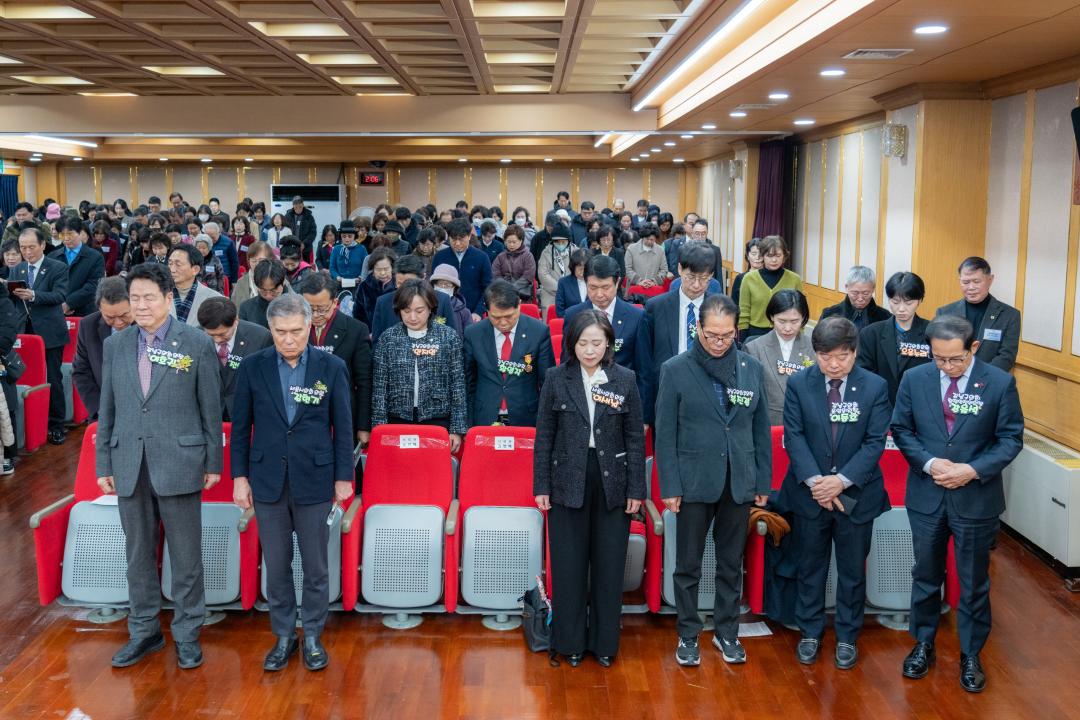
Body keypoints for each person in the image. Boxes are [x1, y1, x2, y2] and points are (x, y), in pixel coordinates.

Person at [95, 262, 222, 671]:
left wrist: (213, 460)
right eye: (135, 298)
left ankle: (187, 634)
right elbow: (107, 408)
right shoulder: (116, 344)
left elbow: (210, 409)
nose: (142, 305)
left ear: (170, 298)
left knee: (186, 557)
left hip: (181, 460)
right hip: (129, 460)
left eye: (150, 297)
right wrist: (104, 461)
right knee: (137, 556)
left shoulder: (196, 344)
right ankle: (144, 631)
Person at [893, 316, 1024, 693]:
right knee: (925, 574)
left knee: (973, 581)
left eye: (955, 360)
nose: (946, 368)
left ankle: (971, 653)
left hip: (975, 498)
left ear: (974, 349)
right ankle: (923, 644)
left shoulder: (999, 383)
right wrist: (931, 463)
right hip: (927, 494)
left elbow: (1010, 438)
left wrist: (972, 469)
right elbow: (901, 429)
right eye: (939, 359)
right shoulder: (914, 379)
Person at [231, 293, 354, 672]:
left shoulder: (330, 366)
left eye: (296, 331)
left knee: (316, 565)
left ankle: (313, 634)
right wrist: (239, 477)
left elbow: (343, 426)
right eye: (281, 332)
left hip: (315, 478)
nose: (288, 339)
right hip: (267, 479)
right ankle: (283, 634)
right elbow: (240, 428)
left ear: (308, 326)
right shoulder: (253, 367)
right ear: (270, 328)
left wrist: (343, 478)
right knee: (278, 563)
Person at [655, 294, 770, 667]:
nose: (719, 343)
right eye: (712, 335)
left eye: (726, 336)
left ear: (736, 331)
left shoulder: (751, 368)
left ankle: (726, 632)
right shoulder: (676, 369)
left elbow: (760, 429)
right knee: (688, 564)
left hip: (738, 480)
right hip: (692, 481)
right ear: (698, 330)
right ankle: (688, 634)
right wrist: (669, 486)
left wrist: (762, 482)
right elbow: (664, 433)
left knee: (730, 563)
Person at [533, 309, 645, 667]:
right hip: (567, 478)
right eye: (583, 343)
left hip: (613, 480)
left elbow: (635, 437)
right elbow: (544, 436)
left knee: (609, 566)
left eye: (597, 343)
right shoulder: (556, 378)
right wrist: (541, 486)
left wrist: (636, 490)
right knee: (568, 566)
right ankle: (570, 643)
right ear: (572, 344)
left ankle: (605, 644)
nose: (590, 350)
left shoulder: (624, 379)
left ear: (609, 343)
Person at [780, 316, 892, 670]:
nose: (834, 364)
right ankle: (810, 632)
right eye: (826, 357)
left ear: (854, 352)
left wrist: (840, 481)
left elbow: (876, 442)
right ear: (815, 354)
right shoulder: (800, 383)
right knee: (810, 567)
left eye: (842, 357)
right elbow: (794, 436)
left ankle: (847, 636)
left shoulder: (874, 387)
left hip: (856, 496)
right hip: (810, 495)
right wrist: (817, 482)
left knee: (851, 571)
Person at [371, 279, 467, 453]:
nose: (412, 317)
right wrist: (379, 428)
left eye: (419, 310)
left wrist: (457, 429)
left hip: (438, 418)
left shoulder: (448, 337)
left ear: (431, 308)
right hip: (397, 419)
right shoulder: (389, 338)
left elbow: (458, 385)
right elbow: (379, 387)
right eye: (406, 311)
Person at [564, 254, 652, 413]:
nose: (599, 294)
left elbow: (644, 371)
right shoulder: (572, 315)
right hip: (582, 404)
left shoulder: (636, 317)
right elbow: (567, 364)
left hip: (622, 404)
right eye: (592, 287)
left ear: (617, 283)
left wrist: (643, 416)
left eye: (605, 287)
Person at [642, 243, 718, 424]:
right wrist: (646, 412)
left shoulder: (719, 309)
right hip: (666, 393)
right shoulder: (655, 307)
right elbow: (645, 362)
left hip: (708, 394)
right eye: (691, 277)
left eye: (704, 278)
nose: (697, 285)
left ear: (712, 276)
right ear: (679, 269)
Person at [463, 280, 554, 426]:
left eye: (509, 316)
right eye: (496, 317)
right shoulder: (473, 334)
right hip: (484, 416)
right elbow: (468, 382)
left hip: (526, 416)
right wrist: (466, 423)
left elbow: (547, 383)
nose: (503, 323)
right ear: (486, 309)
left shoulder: (538, 332)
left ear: (519, 304)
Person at [299, 273, 373, 445]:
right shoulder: (294, 328)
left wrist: (363, 426)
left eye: (322, 308)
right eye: (309, 308)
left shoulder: (356, 330)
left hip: (342, 413)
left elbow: (364, 382)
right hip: (302, 414)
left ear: (334, 303)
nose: (315, 314)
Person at [11, 227, 69, 445]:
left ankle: (56, 425)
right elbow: (13, 300)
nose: (27, 252)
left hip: (49, 331)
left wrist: (34, 295)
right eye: (23, 248)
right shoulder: (18, 270)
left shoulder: (58, 267)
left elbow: (60, 295)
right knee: (24, 377)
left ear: (43, 245)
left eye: (31, 247)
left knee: (53, 377)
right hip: (23, 332)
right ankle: (30, 424)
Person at [935, 257, 1021, 372]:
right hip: (951, 377)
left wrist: (978, 377)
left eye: (976, 282)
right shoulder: (944, 313)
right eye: (965, 282)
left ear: (990, 280)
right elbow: (938, 350)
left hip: (989, 381)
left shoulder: (1010, 315)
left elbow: (1006, 357)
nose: (971, 287)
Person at [857, 272, 933, 403]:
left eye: (908, 303)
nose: (901, 309)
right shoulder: (871, 333)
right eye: (895, 302)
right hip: (880, 404)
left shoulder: (932, 332)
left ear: (920, 300)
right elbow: (864, 374)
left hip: (919, 404)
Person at [744, 289, 815, 425]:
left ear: (804, 318)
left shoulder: (814, 348)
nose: (788, 328)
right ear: (772, 317)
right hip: (767, 423)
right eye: (781, 321)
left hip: (804, 422)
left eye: (794, 321)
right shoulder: (754, 348)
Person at [197, 297, 272, 422]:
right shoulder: (195, 336)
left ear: (235, 321)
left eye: (222, 334)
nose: (217, 340)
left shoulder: (260, 337)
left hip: (248, 414)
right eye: (210, 335)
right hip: (209, 416)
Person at [72, 277, 134, 418]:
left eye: (124, 315)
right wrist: (100, 410)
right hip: (103, 411)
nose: (118, 323)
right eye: (110, 317)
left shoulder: (148, 326)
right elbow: (81, 371)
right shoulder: (88, 326)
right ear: (100, 308)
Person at [370, 255, 458, 345]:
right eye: (399, 283)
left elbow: (453, 338)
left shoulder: (442, 300)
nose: (404, 288)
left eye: (409, 283)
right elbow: (377, 342)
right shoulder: (383, 302)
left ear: (423, 277)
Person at [738, 235, 802, 340]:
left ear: (784, 256)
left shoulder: (795, 279)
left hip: (786, 332)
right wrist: (742, 339)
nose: (774, 260)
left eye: (778, 255)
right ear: (762, 256)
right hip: (755, 333)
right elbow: (744, 311)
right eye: (769, 255)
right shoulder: (749, 279)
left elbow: (800, 311)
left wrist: (800, 336)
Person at [431, 218, 491, 318]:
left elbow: (488, 288)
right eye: (453, 239)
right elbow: (433, 285)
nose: (457, 243)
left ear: (469, 236)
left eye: (461, 239)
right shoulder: (440, 257)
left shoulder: (481, 257)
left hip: (473, 312)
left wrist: (479, 311)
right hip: (444, 311)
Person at [50, 216, 105, 318]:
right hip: (58, 311)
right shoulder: (53, 256)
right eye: (62, 235)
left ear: (80, 233)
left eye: (70, 234)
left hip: (85, 312)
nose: (66, 238)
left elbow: (93, 285)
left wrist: (69, 303)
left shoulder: (95, 256)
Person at [820, 266, 891, 330]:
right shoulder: (829, 315)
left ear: (873, 289)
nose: (860, 298)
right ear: (846, 287)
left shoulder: (885, 317)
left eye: (865, 293)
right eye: (855, 293)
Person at [167, 244, 221, 326]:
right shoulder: (159, 294)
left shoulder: (214, 299)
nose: (172, 269)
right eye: (170, 263)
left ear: (195, 270)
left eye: (178, 265)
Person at [0, 280, 20, 472]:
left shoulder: (4, 302)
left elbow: (7, 336)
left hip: (1, 363)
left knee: (6, 409)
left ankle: (8, 454)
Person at [239, 260, 288, 329]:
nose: (268, 296)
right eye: (263, 291)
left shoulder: (298, 306)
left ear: (283, 282)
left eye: (273, 291)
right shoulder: (246, 308)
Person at [491, 224, 536, 301]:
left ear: (521, 241)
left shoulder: (528, 256)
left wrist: (512, 288)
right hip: (503, 293)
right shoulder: (500, 257)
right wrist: (506, 288)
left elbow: (528, 276)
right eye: (509, 242)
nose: (511, 245)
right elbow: (495, 274)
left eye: (514, 242)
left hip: (522, 294)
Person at [355, 248, 395, 328]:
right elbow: (358, 314)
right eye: (378, 270)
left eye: (386, 269)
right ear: (372, 269)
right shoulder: (364, 287)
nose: (383, 273)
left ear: (392, 267)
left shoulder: (399, 285)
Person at [430, 264, 474, 334]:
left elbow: (469, 337)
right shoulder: (426, 307)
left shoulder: (464, 312)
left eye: (447, 284)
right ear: (433, 285)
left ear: (454, 288)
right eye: (439, 283)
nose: (443, 287)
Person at [537, 224, 573, 312]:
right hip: (550, 293)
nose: (560, 244)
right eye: (557, 242)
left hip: (571, 293)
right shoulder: (546, 252)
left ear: (568, 241)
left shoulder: (576, 252)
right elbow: (543, 274)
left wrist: (568, 290)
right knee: (550, 321)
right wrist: (560, 289)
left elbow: (579, 273)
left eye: (563, 242)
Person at [624, 222, 669, 289]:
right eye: (647, 239)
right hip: (634, 288)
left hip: (653, 288)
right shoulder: (631, 249)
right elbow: (627, 269)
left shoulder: (660, 250)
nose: (649, 241)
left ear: (655, 239)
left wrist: (653, 282)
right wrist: (640, 281)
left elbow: (664, 270)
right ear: (642, 237)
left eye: (652, 240)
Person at [329, 220, 368, 290]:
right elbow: (332, 267)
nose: (347, 239)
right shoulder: (336, 249)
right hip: (340, 286)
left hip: (358, 285)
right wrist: (337, 277)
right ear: (340, 236)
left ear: (354, 236)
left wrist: (360, 277)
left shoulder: (361, 249)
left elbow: (366, 266)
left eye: (350, 236)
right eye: (344, 236)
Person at [554, 249, 590, 318]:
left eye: (585, 269)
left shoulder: (596, 282)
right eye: (580, 269)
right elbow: (560, 311)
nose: (582, 273)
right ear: (573, 267)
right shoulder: (563, 283)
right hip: (571, 324)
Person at [730, 238, 763, 307]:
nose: (757, 257)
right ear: (747, 256)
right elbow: (734, 304)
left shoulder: (769, 277)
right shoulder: (740, 278)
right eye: (754, 254)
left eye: (761, 254)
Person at [205, 221, 239, 286]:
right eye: (208, 237)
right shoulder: (203, 243)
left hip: (224, 278)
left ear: (219, 233)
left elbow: (234, 262)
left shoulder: (228, 242)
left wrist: (234, 280)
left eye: (213, 237)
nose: (210, 240)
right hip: (207, 278)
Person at [283, 196, 317, 262]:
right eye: (295, 204)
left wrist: (304, 243)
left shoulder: (309, 216)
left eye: (299, 203)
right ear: (293, 205)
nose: (298, 205)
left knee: (306, 269)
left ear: (303, 204)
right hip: (291, 249)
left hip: (306, 249)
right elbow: (284, 231)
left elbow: (313, 232)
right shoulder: (288, 216)